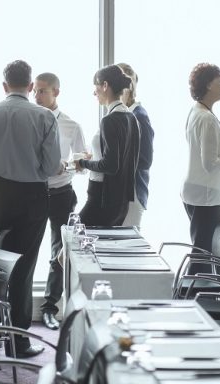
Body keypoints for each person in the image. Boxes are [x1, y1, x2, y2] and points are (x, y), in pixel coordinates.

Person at [0, 60, 60, 358]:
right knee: (24, 267)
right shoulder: (45, 116)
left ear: (4, 86)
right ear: (30, 86)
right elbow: (52, 166)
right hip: (32, 196)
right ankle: (18, 342)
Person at [33, 72, 87, 331]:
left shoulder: (71, 126)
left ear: (56, 92)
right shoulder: (28, 121)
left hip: (61, 193)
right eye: (35, 90)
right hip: (32, 193)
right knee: (27, 249)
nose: (37, 95)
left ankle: (49, 308)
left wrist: (65, 166)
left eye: (43, 91)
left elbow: (82, 165)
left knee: (58, 252)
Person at [181, 64, 220, 271]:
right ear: (209, 85)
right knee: (203, 253)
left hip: (196, 190)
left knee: (202, 250)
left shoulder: (196, 111)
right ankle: (194, 298)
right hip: (205, 194)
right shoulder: (206, 118)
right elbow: (209, 164)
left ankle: (198, 295)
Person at [76, 65, 139, 226]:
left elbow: (110, 165)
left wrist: (82, 163)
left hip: (101, 197)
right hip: (120, 200)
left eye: (95, 86)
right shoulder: (131, 118)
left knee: (71, 236)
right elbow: (129, 160)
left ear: (105, 86)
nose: (94, 92)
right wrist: (94, 157)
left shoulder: (109, 120)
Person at [118, 62, 154, 228]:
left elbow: (145, 159)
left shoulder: (139, 116)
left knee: (128, 245)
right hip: (124, 191)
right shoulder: (124, 114)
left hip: (133, 192)